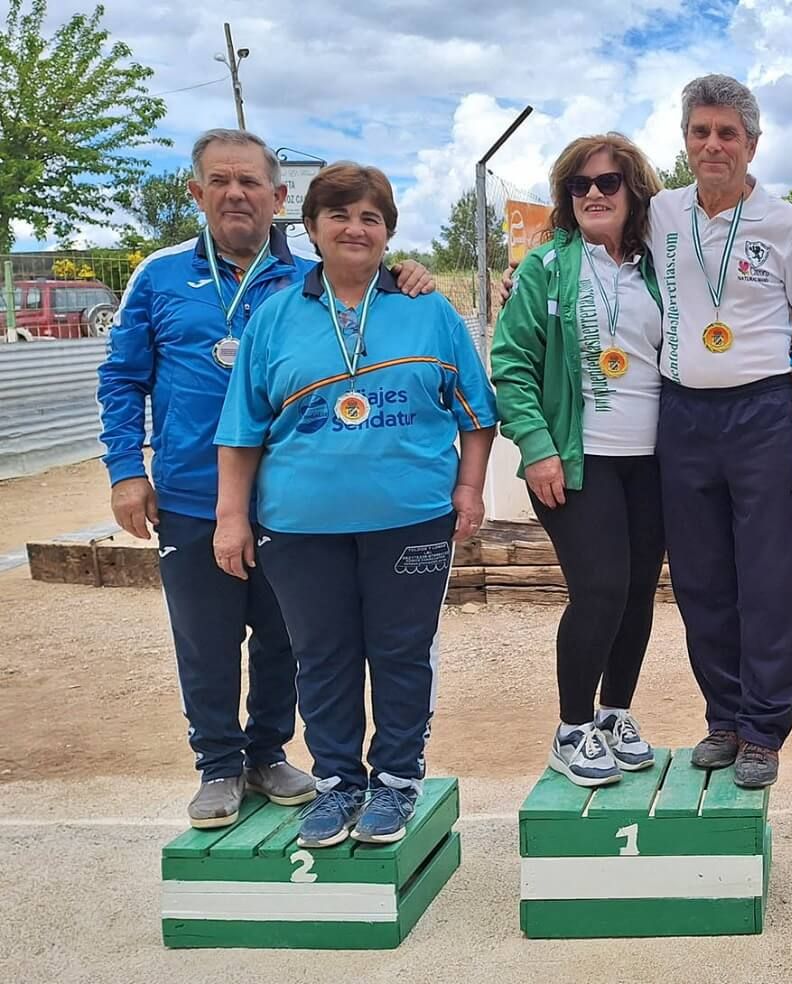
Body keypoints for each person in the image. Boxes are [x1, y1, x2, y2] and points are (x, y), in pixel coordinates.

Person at [96, 129, 433, 829]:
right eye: (219, 181)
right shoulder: (158, 276)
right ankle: (219, 764)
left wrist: (410, 273)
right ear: (196, 192)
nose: (235, 193)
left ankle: (269, 751)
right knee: (205, 635)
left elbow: (373, 284)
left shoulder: (306, 280)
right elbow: (121, 378)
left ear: (280, 199)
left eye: (250, 182)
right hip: (192, 492)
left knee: (291, 637)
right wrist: (128, 470)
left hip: (290, 500)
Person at [213, 162, 496, 847]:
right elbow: (242, 427)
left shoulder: (425, 308)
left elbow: (477, 414)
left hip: (412, 518)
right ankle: (338, 784)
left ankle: (397, 781)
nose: (354, 227)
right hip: (300, 525)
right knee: (323, 656)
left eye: (370, 217)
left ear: (388, 233)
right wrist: (230, 516)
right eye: (339, 215)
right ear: (311, 229)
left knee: (401, 652)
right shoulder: (276, 317)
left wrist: (469, 488)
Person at [648, 75, 792, 788]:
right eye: (700, 131)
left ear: (753, 144)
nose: (713, 145)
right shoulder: (659, 211)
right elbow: (582, 236)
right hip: (682, 410)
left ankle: (764, 728)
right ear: (686, 140)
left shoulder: (786, 224)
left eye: (727, 133)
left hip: (760, 410)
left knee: (769, 574)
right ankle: (723, 716)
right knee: (700, 575)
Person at [491, 133, 666, 788]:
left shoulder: (659, 266)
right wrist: (536, 448)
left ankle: (615, 713)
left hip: (652, 460)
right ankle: (572, 727)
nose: (594, 193)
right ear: (566, 198)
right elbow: (510, 366)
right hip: (576, 459)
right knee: (600, 588)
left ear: (634, 191)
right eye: (579, 185)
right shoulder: (545, 269)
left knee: (639, 593)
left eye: (609, 182)